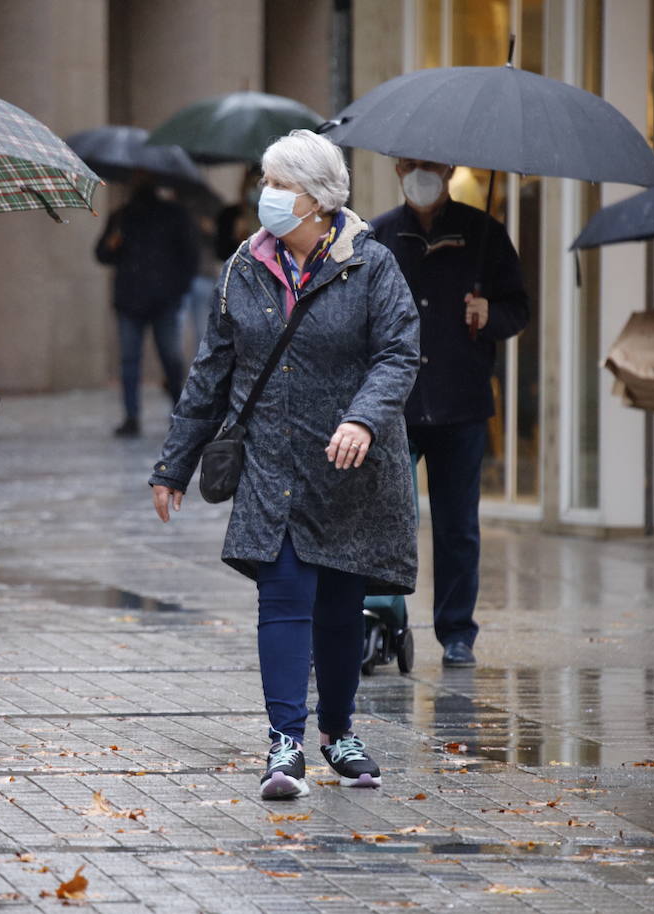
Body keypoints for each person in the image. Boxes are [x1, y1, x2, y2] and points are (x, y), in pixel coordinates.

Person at [149, 130, 419, 800]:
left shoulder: (372, 265)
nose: (265, 196)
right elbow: (210, 374)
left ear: (320, 199)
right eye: (264, 183)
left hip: (348, 466)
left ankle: (338, 733)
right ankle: (285, 745)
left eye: (280, 185)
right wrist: (172, 466)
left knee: (339, 604)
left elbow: (398, 353)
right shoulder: (243, 268)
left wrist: (362, 417)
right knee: (284, 595)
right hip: (272, 463)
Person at [371, 159, 530, 669]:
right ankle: (383, 621)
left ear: (450, 168)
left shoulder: (484, 234)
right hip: (395, 405)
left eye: (432, 164)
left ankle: (457, 632)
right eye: (412, 163)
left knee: (458, 525)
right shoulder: (378, 236)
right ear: (397, 167)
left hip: (460, 402)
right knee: (388, 520)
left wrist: (490, 316)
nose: (422, 172)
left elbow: (518, 308)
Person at [95, 172, 198, 437]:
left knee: (171, 359)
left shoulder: (173, 215)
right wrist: (112, 242)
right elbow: (102, 254)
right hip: (130, 301)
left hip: (163, 300)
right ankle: (131, 416)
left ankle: (179, 412)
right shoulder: (122, 216)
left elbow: (189, 256)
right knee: (130, 361)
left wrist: (177, 291)